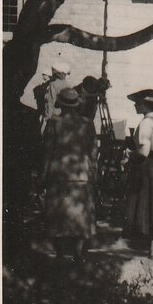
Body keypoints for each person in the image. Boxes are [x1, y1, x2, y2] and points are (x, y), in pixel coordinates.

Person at [41, 88, 98, 261]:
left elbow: (47, 152)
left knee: (58, 212)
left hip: (58, 174)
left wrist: (42, 176)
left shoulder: (54, 123)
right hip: (81, 175)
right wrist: (94, 173)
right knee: (79, 213)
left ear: (61, 104)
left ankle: (60, 253)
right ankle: (77, 253)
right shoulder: (88, 124)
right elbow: (93, 153)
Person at [123, 89, 153, 259]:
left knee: (148, 205)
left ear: (145, 104)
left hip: (146, 166)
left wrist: (129, 155)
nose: (135, 106)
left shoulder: (145, 123)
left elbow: (143, 151)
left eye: (138, 103)